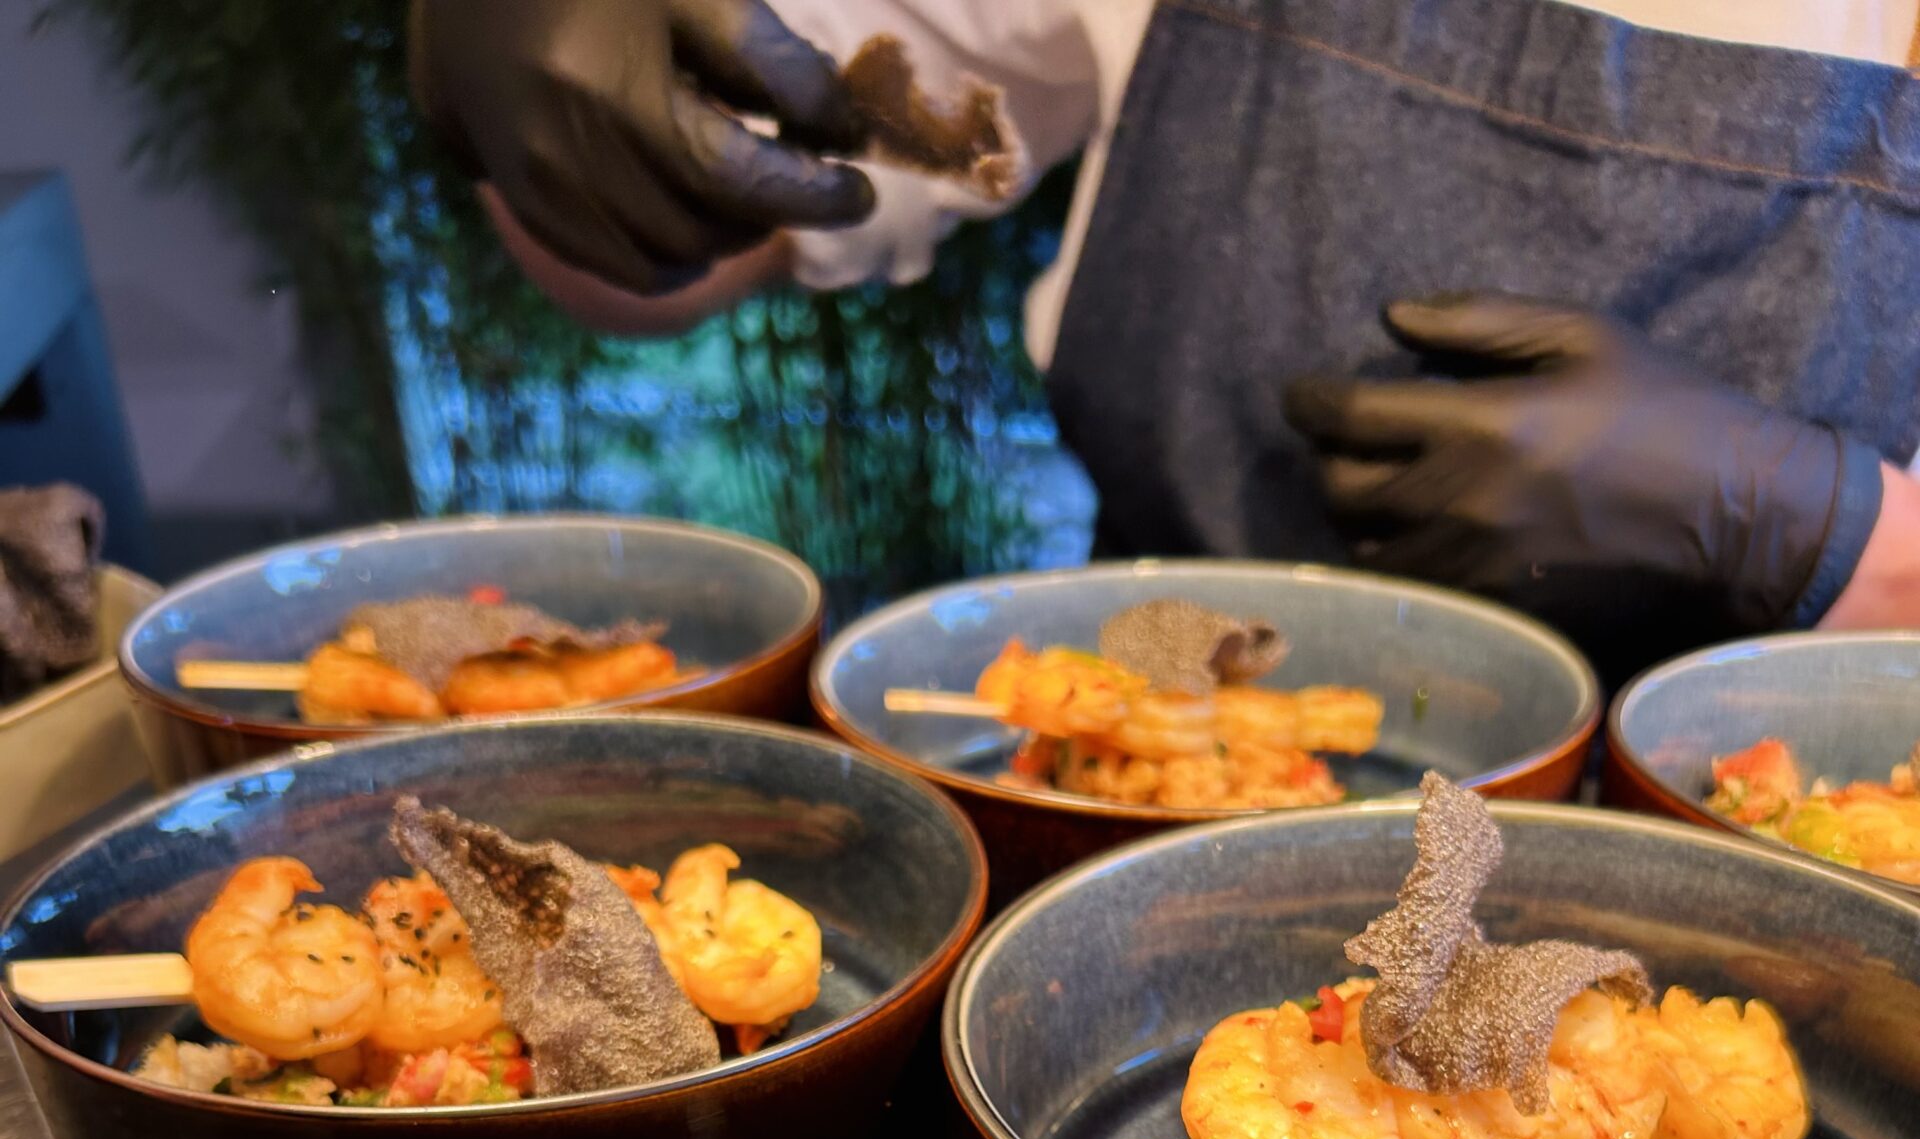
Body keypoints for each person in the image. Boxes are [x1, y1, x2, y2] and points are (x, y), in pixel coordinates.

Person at [410, 0, 1920, 674]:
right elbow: (723, 219)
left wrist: (1819, 528)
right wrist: (552, 120)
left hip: (1805, 856)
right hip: (1144, 790)